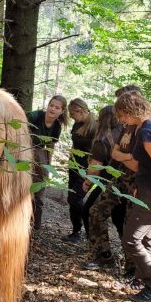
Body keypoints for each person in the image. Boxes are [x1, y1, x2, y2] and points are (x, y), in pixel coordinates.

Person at [112, 91, 151, 302]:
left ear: (130, 110)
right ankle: (145, 283)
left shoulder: (147, 131)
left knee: (131, 239)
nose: (121, 120)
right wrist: (140, 187)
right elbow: (144, 166)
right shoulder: (148, 128)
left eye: (122, 114)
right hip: (146, 190)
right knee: (146, 238)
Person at [85, 85, 141, 273]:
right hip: (118, 178)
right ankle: (103, 256)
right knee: (95, 211)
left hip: (138, 183)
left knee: (129, 223)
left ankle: (133, 269)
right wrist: (124, 157)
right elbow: (116, 153)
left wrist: (126, 158)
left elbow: (141, 161)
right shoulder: (124, 127)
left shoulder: (145, 128)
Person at [27, 95, 68, 230]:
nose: (53, 109)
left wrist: (48, 167)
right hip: (25, 148)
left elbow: (50, 146)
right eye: (51, 105)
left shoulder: (56, 126)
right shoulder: (36, 116)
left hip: (40, 153)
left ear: (61, 111)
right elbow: (20, 125)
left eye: (57, 108)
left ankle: (35, 223)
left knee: (39, 187)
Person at [81, 105, 122, 238]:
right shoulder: (124, 134)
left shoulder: (102, 140)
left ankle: (96, 247)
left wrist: (87, 183)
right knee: (119, 216)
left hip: (107, 181)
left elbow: (95, 168)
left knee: (89, 211)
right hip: (125, 182)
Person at [63, 98, 97, 243]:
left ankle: (90, 232)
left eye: (72, 113)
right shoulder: (77, 124)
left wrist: (92, 171)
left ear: (81, 110)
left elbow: (98, 151)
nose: (70, 116)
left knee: (75, 198)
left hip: (87, 168)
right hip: (74, 166)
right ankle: (76, 231)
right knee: (72, 198)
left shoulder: (95, 126)